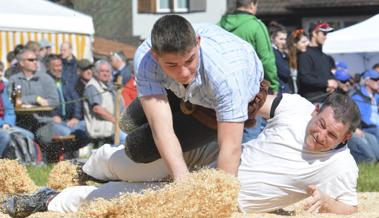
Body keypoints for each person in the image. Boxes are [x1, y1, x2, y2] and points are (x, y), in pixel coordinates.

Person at [0, 93, 360, 216]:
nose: (321, 136)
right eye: (322, 124)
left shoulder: (340, 166)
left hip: (217, 201)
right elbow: (248, 103)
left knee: (119, 199)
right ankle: (88, 166)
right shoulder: (295, 107)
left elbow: (352, 207)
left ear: (345, 138)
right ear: (316, 111)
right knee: (129, 163)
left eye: (333, 135)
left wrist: (330, 203)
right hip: (212, 158)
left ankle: (46, 200)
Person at [122, 14, 264, 180]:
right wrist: (182, 181)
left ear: (198, 42)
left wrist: (219, 196)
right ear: (155, 56)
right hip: (178, 90)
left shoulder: (226, 75)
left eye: (189, 60)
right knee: (127, 122)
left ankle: (204, 152)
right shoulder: (145, 60)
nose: (183, 72)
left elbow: (230, 146)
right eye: (172, 64)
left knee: (136, 148)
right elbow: (161, 128)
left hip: (212, 106)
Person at [218, 0, 279, 93]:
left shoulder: (219, 25)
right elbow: (266, 59)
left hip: (223, 86)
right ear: (251, 5)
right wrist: (273, 85)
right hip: (249, 87)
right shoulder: (257, 26)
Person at [334, 69, 379, 163]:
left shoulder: (348, 94)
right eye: (343, 81)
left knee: (374, 156)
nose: (347, 83)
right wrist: (353, 128)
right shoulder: (336, 97)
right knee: (371, 158)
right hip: (351, 130)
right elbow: (360, 118)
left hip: (357, 129)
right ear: (335, 82)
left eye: (349, 81)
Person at [83, 60, 126, 145]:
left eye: (107, 71)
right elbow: (97, 109)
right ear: (95, 72)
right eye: (102, 71)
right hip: (102, 131)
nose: (105, 73)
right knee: (126, 140)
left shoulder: (111, 86)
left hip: (115, 128)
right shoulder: (92, 86)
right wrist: (116, 121)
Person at [297, 21, 337, 103]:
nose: (326, 37)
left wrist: (333, 83)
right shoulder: (304, 54)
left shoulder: (326, 57)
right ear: (315, 33)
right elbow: (305, 78)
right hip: (311, 102)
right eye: (324, 34)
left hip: (326, 100)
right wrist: (326, 83)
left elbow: (329, 74)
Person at [351, 70, 379, 143]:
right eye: (375, 79)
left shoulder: (376, 96)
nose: (378, 81)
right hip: (370, 129)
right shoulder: (358, 97)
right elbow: (364, 119)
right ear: (367, 81)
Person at [269, 21, 292, 94]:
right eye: (281, 39)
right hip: (279, 89)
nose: (284, 42)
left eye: (285, 39)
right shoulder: (273, 52)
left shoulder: (279, 52)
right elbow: (285, 72)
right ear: (272, 38)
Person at [287, 28, 309, 94]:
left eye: (307, 41)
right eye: (303, 42)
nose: (307, 44)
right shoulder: (288, 58)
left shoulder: (306, 55)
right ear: (294, 43)